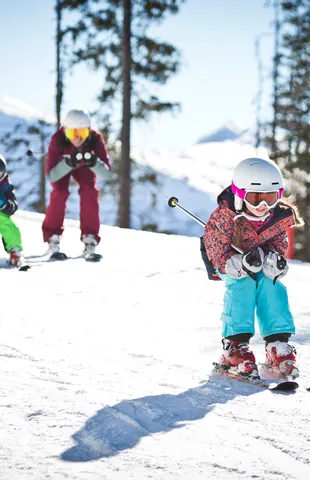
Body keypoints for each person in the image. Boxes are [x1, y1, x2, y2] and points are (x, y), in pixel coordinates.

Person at [203, 157, 303, 379]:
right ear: (239, 194)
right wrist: (234, 263)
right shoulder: (225, 216)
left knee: (271, 284)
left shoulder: (277, 216)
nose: (263, 206)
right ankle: (235, 346)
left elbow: (279, 245)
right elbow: (215, 250)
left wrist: (275, 262)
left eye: (270, 198)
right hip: (228, 262)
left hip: (259, 260)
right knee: (244, 284)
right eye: (255, 198)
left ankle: (277, 343)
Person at [42, 109, 111, 256]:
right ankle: (53, 237)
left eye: (82, 133)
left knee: (89, 191)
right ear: (65, 131)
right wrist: (68, 163)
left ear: (89, 131)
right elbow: (52, 176)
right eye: (73, 134)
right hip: (63, 166)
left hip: (85, 167)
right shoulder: (57, 139)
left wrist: (94, 162)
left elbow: (107, 173)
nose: (78, 139)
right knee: (59, 192)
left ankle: (90, 237)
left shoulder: (95, 139)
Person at [0, 154, 24, 267]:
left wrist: (4, 204)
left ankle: (14, 250)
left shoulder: (5, 185)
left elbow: (13, 206)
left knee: (7, 224)